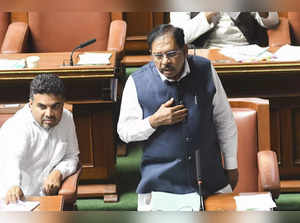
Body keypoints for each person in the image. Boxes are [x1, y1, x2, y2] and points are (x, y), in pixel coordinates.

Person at [117, 24, 238, 211]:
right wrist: (153, 121)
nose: (164, 62)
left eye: (171, 54)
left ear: (185, 50)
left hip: (210, 179)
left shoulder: (205, 70)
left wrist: (231, 165)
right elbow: (124, 132)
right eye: (157, 56)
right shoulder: (137, 82)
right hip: (160, 185)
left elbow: (224, 119)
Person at [0, 74, 79, 204]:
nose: (49, 114)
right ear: (30, 104)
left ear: (62, 104)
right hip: (13, 198)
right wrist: (13, 185)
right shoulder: (17, 126)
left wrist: (58, 172)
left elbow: (72, 156)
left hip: (46, 198)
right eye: (42, 107)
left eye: (55, 106)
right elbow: (11, 162)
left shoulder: (67, 118)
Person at [170, 12, 280, 48]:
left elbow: (273, 21)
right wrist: (206, 16)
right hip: (205, 53)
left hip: (246, 51)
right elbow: (179, 37)